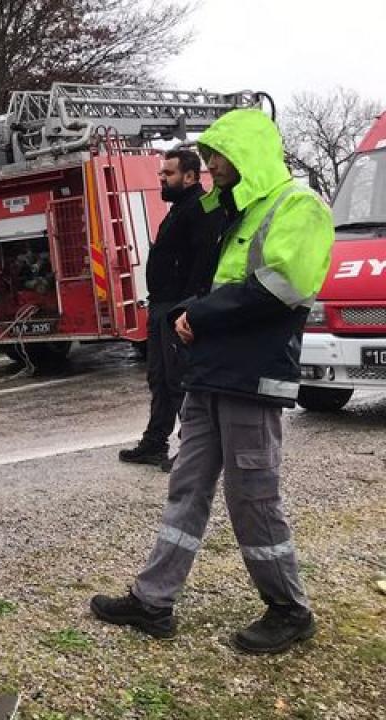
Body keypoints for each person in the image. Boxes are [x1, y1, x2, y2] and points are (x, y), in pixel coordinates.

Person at [90, 109, 334, 654]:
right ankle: (153, 601)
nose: (211, 166)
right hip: (212, 373)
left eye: (218, 156)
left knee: (253, 497)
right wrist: (193, 311)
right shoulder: (235, 210)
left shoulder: (297, 206)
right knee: (187, 488)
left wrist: (198, 314)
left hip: (251, 374)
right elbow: (215, 273)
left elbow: (281, 288)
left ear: (246, 154)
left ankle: (289, 609)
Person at [118, 148, 221, 471]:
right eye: (161, 173)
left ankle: (193, 449)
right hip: (162, 305)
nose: (162, 178)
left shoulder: (201, 208)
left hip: (179, 306)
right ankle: (154, 442)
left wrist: (188, 307)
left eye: (169, 174)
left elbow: (203, 262)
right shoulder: (179, 209)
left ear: (190, 176)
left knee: (180, 379)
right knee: (160, 378)